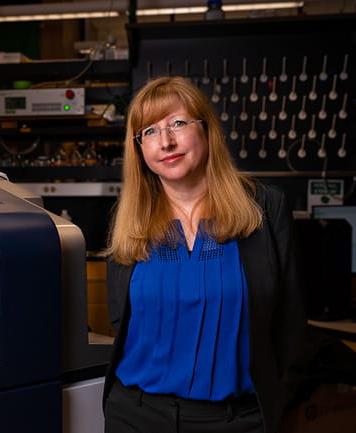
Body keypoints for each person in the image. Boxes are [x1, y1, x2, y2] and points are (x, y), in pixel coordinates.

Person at [103, 76, 305, 433]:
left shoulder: (265, 207)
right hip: (135, 416)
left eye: (177, 123)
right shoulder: (130, 220)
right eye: (148, 132)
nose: (165, 142)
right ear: (138, 149)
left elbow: (288, 323)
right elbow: (121, 318)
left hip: (238, 420)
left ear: (207, 129)